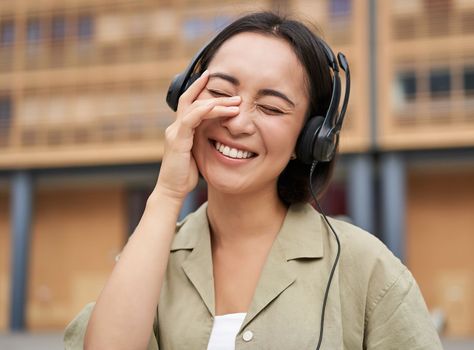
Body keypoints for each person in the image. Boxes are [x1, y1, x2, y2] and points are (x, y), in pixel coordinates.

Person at [64, 11, 442, 350]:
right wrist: (167, 192)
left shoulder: (367, 268)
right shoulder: (150, 257)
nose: (238, 122)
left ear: (311, 139)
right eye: (220, 93)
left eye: (271, 107)